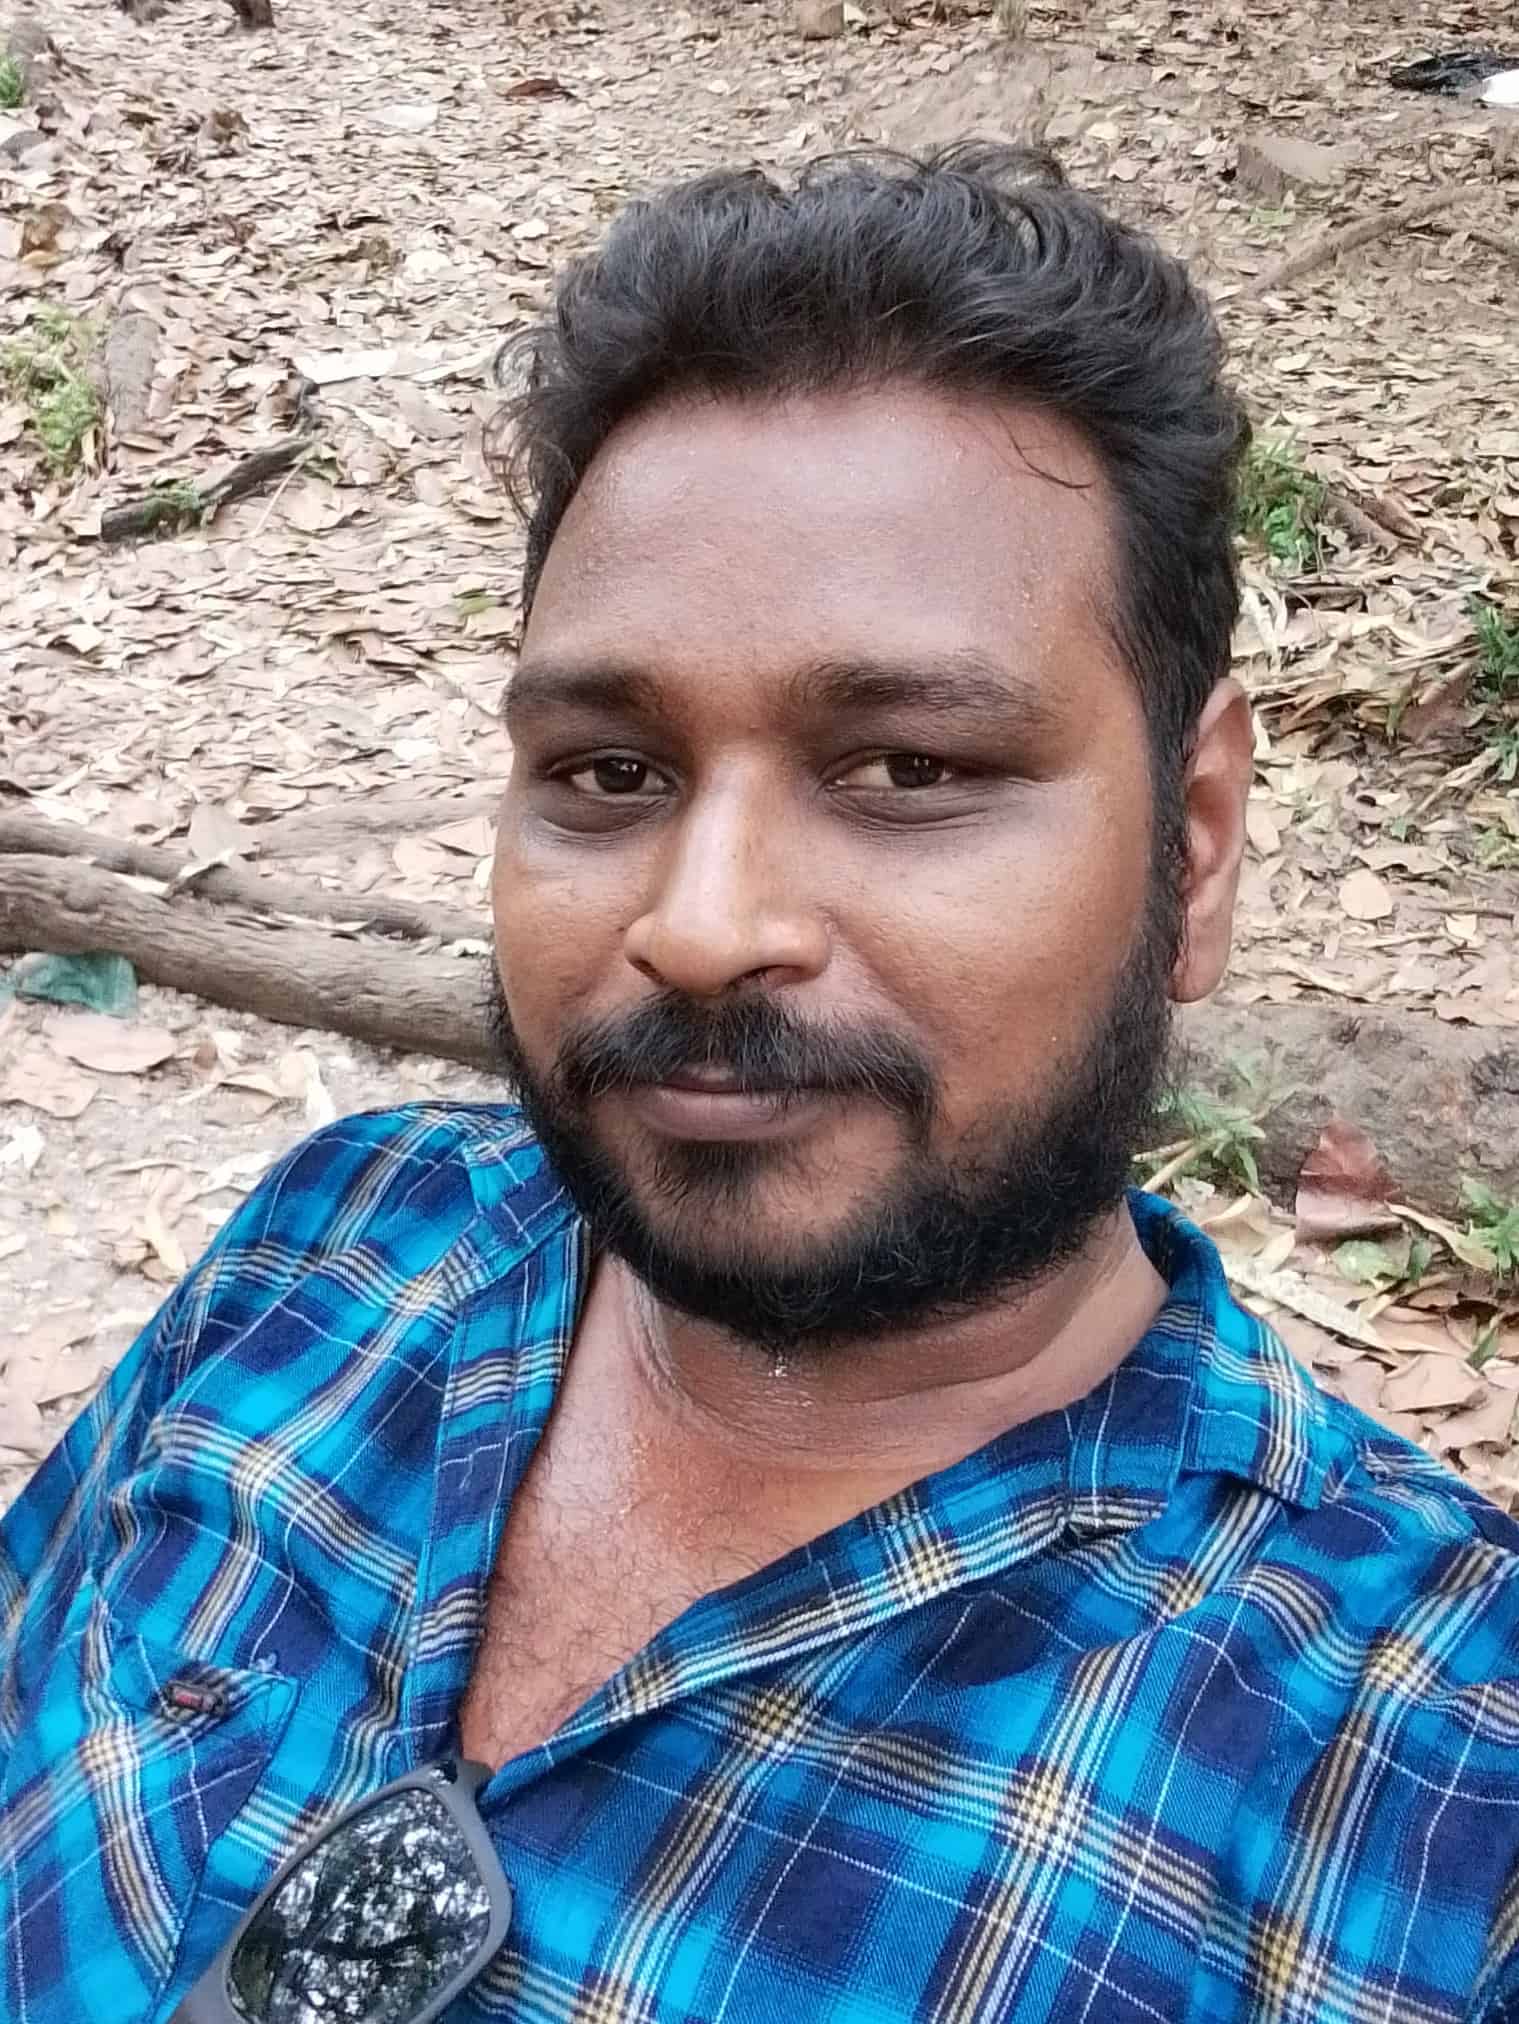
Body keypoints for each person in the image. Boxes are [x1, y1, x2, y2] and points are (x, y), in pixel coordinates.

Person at [2, 144, 1516, 2024]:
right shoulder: (336, 1243)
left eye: (907, 771)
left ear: (1194, 848)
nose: (702, 928)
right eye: (610, 775)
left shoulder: (1430, 1800)